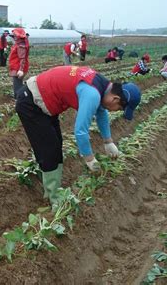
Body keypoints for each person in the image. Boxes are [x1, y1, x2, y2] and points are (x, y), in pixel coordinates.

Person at [15, 65, 141, 205]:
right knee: (48, 150)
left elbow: (101, 112)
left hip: (45, 102)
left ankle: (51, 192)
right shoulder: (92, 94)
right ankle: (55, 198)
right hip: (31, 102)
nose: (115, 111)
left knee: (56, 145)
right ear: (115, 99)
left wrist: (108, 141)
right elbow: (81, 132)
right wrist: (89, 159)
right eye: (119, 109)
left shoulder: (103, 85)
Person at [8, 28, 30, 98]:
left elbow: (22, 58)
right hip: (16, 66)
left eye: (15, 36)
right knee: (17, 83)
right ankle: (17, 95)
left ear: (18, 36)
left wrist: (21, 69)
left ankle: (18, 97)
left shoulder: (21, 46)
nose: (14, 38)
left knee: (17, 83)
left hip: (18, 67)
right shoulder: (19, 44)